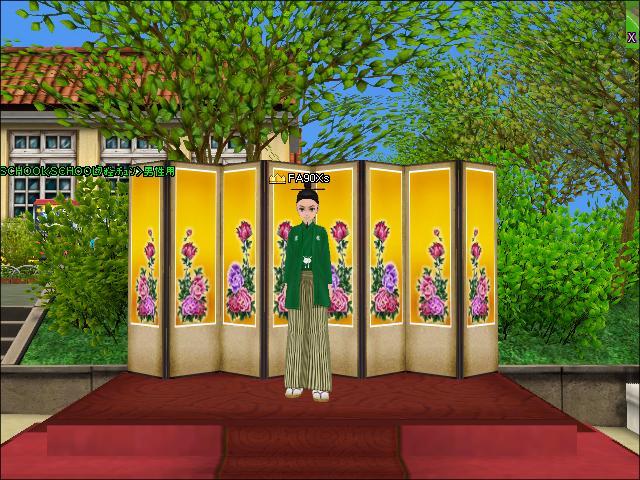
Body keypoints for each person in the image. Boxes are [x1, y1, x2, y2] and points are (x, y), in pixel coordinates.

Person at [282, 182, 333, 402]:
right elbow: (289, 260)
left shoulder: (321, 233)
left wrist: (329, 284)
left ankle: (320, 384)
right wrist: (286, 284)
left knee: (318, 331)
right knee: (296, 331)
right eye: (302, 208)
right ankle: (294, 382)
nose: (306, 213)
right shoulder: (293, 233)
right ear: (297, 209)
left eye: (311, 208)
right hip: (296, 283)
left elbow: (325, 259)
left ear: (317, 209)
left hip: (317, 283)